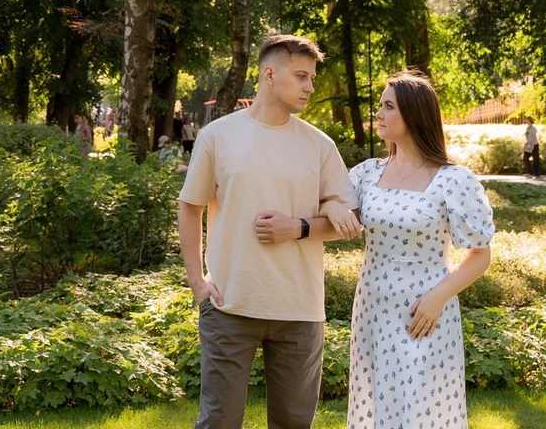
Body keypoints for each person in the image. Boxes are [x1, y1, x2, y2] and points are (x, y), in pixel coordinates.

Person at [178, 34, 361, 429]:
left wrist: (297, 227)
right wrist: (197, 282)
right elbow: (190, 206)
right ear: (269, 74)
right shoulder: (217, 136)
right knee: (219, 421)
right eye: (301, 77)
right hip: (229, 304)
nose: (310, 87)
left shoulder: (319, 145)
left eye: (312, 77)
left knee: (294, 423)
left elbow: (347, 222)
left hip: (299, 308)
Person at [346, 69, 495, 429]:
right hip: (372, 307)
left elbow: (480, 254)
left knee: (418, 410)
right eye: (380, 106)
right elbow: (332, 217)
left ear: (414, 114)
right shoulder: (366, 173)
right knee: (377, 404)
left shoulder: (452, 179)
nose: (379, 115)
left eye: (388, 107)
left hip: (423, 311)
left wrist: (437, 297)